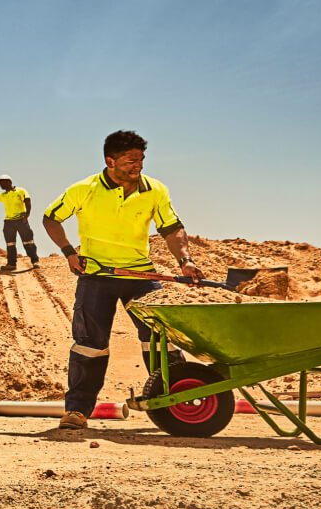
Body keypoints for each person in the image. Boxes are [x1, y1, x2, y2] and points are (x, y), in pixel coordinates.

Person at [41, 130, 203, 430]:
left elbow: (171, 228)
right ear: (110, 161)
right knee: (90, 345)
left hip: (141, 275)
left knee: (159, 340)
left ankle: (178, 401)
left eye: (141, 159)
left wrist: (185, 261)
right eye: (130, 161)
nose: (137, 166)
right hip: (97, 276)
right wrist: (68, 252)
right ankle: (77, 411)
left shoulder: (155, 190)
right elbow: (51, 218)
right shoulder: (84, 189)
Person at [0, 174, 37, 270]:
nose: (0, 185)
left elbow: (27, 201)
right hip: (9, 222)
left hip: (21, 220)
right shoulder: (3, 195)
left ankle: (35, 261)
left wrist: (27, 216)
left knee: (28, 242)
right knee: (10, 244)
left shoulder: (20, 190)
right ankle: (11, 264)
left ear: (9, 182)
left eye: (2, 183)